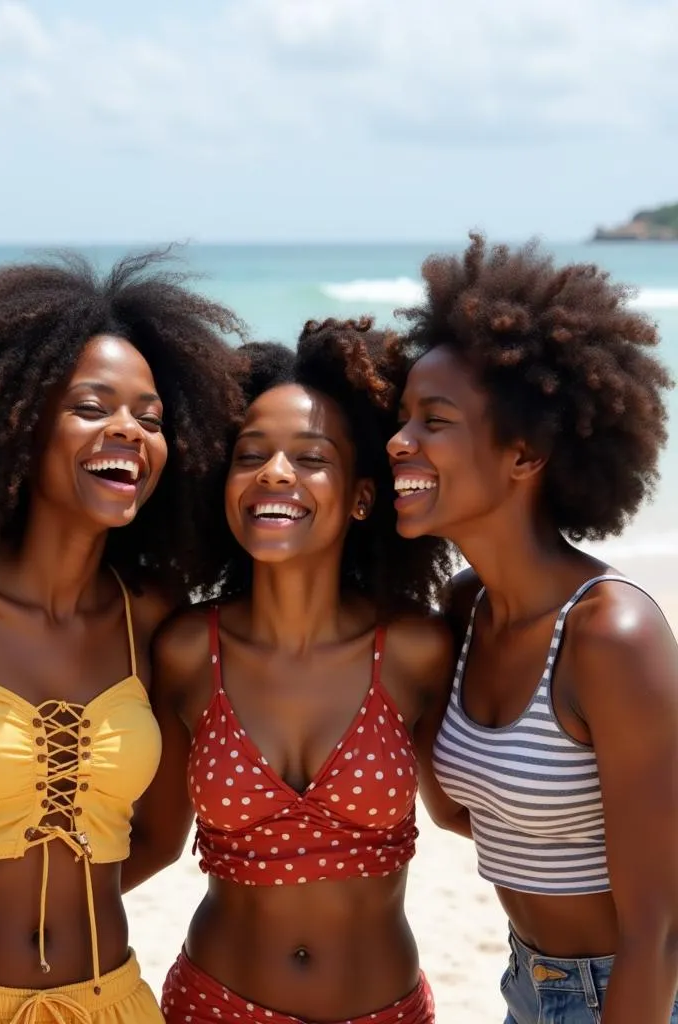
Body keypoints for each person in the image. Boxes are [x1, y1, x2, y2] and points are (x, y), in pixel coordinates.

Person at [0, 252, 247, 1024]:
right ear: (18, 420)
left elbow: (163, 838)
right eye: (92, 406)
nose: (129, 430)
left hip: (110, 1003)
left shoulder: (154, 616)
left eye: (152, 417)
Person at [123, 322, 453, 1024]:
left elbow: (475, 809)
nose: (276, 474)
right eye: (251, 456)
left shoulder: (415, 648)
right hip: (213, 1006)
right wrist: (14, 932)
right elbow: (151, 842)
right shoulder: (186, 649)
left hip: (385, 1012)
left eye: (310, 458)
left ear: (362, 496)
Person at [389, 233, 678, 1024]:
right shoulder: (464, 609)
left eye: (433, 421)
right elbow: (460, 813)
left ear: (524, 455)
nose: (398, 441)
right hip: (532, 984)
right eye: (402, 417)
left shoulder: (611, 635)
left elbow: (660, 927)